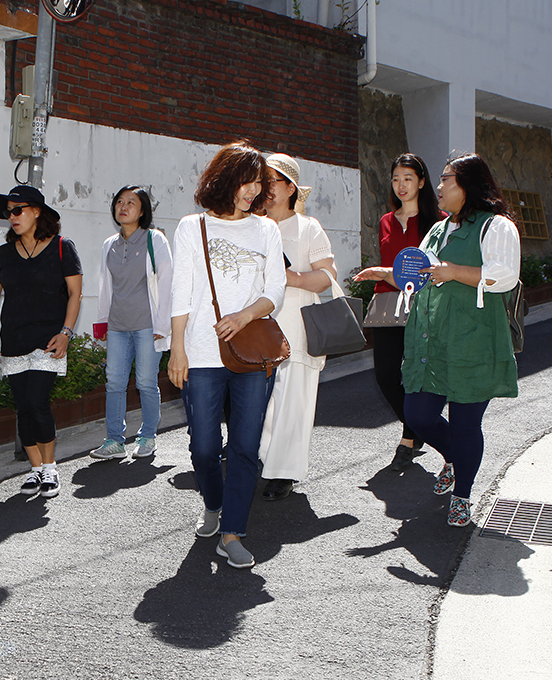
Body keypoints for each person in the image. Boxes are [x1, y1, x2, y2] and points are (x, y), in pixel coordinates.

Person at [354, 152, 519, 527]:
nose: (440, 186)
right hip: (432, 340)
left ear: (468, 186)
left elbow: (505, 275)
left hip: (474, 340)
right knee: (418, 414)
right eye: (442, 179)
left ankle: (463, 493)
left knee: (464, 424)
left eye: (447, 180)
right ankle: (454, 458)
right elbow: (420, 275)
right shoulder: (438, 230)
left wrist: (453, 271)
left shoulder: (496, 227)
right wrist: (384, 271)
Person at [168, 141, 287, 568]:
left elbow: (275, 288)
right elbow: (180, 291)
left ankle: (232, 531)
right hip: (200, 352)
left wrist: (245, 314)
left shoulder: (266, 230)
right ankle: (213, 504)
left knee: (244, 444)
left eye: (258, 185)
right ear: (224, 180)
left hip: (252, 353)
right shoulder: (191, 227)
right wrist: (176, 348)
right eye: (245, 182)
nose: (252, 192)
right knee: (203, 447)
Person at [0, 184, 83, 498]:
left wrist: (66, 333)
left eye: (18, 210)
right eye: (8, 212)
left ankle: (51, 468)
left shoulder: (63, 248)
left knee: (38, 402)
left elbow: (75, 294)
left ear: (37, 211)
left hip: (48, 341)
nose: (12, 217)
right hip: (13, 340)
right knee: (23, 407)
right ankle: (36, 470)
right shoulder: (3, 254)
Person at [255, 154, 335, 500]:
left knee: (292, 401)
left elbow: (327, 276)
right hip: (257, 328)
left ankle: (283, 473)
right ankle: (259, 459)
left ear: (291, 188)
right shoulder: (252, 225)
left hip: (296, 327)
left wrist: (292, 278)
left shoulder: (307, 228)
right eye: (263, 181)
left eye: (273, 182)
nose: (267, 189)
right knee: (261, 400)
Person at [90, 186, 174, 460]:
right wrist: (102, 322)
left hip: (147, 325)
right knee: (114, 382)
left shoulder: (154, 240)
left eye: (131, 202)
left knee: (146, 382)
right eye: (119, 202)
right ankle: (114, 440)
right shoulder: (109, 245)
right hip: (117, 326)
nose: (123, 207)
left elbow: (166, 283)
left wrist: (163, 326)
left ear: (142, 210)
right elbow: (105, 286)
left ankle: (148, 436)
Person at [373, 153, 442, 474]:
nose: (401, 185)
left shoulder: (439, 222)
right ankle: (417, 427)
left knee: (417, 375)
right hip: (388, 305)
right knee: (386, 374)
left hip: (425, 308)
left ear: (422, 182)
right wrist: (383, 274)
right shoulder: (386, 220)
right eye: (396, 178)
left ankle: (408, 437)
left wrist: (383, 271)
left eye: (408, 179)